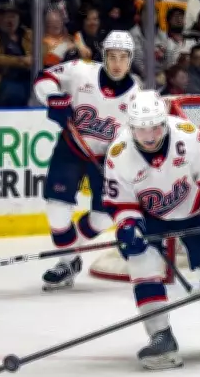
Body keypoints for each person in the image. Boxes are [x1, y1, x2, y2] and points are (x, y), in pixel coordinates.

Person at [102, 91, 200, 370]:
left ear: (164, 122)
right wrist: (128, 225)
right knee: (141, 264)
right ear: (131, 127)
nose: (149, 136)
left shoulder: (188, 135)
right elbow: (121, 202)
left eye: (155, 127)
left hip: (196, 211)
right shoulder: (118, 154)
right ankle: (161, 336)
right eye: (142, 129)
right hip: (151, 217)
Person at [33, 30, 139, 291]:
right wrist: (53, 98)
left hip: (107, 160)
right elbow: (44, 78)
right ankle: (67, 261)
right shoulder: (81, 71)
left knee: (103, 218)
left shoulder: (137, 97)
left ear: (130, 59)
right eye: (112, 56)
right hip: (71, 147)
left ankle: (68, 257)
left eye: (122, 57)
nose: (117, 63)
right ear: (104, 56)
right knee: (57, 210)